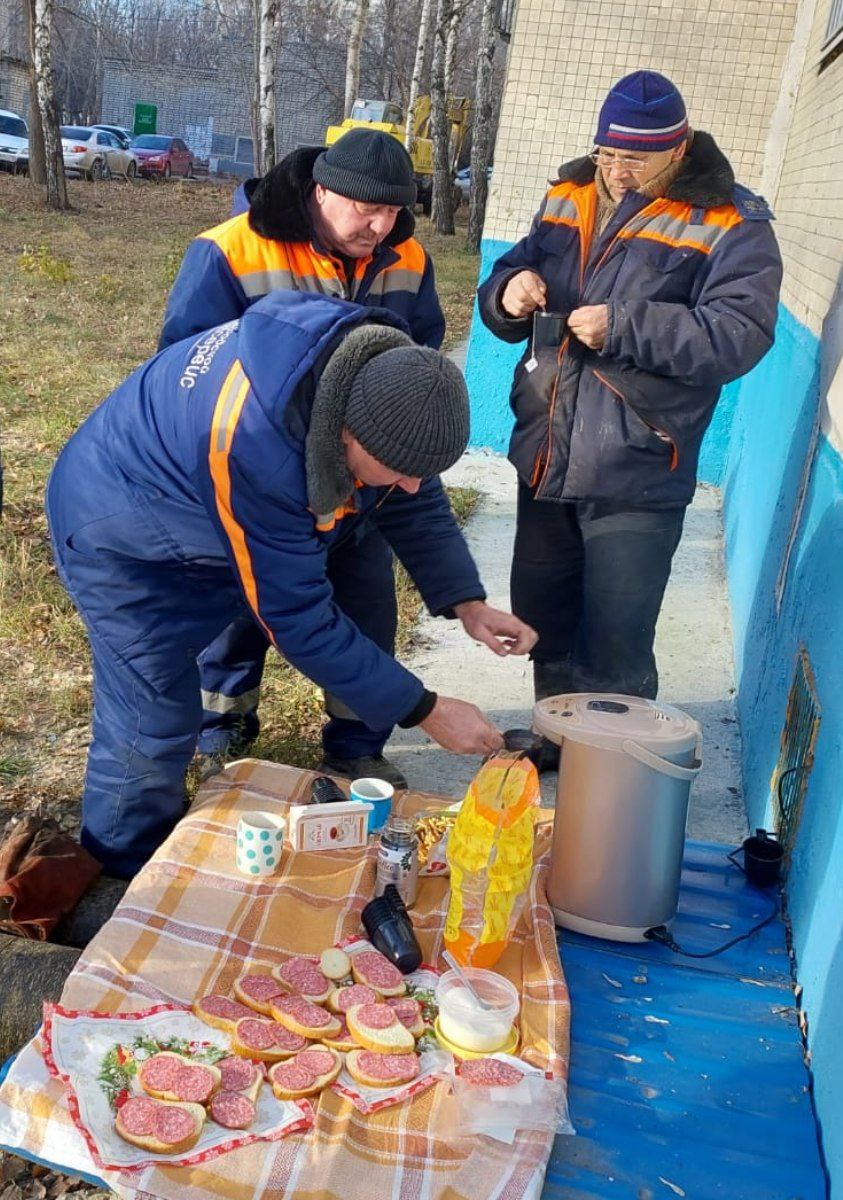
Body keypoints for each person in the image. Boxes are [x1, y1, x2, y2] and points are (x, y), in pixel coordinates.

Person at [46, 291, 536, 879]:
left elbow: (413, 492)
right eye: (398, 471)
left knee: (346, 536)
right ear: (346, 435)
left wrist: (467, 602)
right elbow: (298, 618)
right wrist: (425, 709)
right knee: (152, 719)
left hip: (212, 512)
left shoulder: (383, 381)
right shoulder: (254, 443)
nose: (410, 486)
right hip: (122, 533)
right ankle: (116, 878)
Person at [478, 69, 782, 728]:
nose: (615, 172)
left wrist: (624, 325)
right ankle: (557, 738)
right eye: (606, 155)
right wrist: (507, 293)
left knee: (615, 639)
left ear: (679, 147)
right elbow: (513, 276)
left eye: (634, 160)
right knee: (543, 617)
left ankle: (608, 776)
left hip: (637, 465)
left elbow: (739, 334)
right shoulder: (567, 195)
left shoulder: (730, 221)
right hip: (545, 451)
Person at [159, 129, 445, 787]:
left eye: (394, 211)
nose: (380, 225)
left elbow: (419, 351)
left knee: (368, 613)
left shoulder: (408, 260)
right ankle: (220, 729)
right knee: (238, 615)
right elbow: (185, 365)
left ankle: (357, 745)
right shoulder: (229, 250)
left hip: (358, 489)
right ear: (319, 190)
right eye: (362, 209)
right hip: (258, 481)